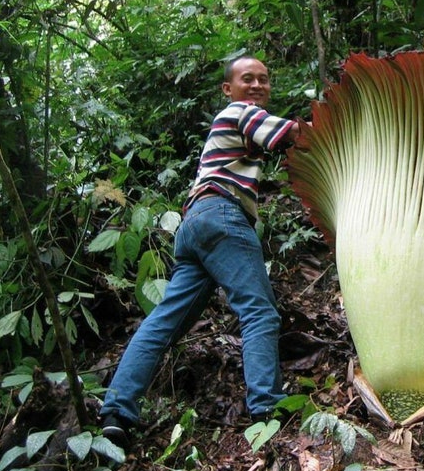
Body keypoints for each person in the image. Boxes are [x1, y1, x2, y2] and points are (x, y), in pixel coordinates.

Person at [100, 55, 302, 447]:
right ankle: (267, 408)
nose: (258, 86)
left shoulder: (236, 121)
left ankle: (117, 410)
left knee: (164, 323)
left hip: (194, 224)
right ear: (229, 88)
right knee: (259, 311)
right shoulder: (241, 111)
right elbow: (292, 134)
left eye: (264, 80)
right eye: (248, 79)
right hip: (223, 216)